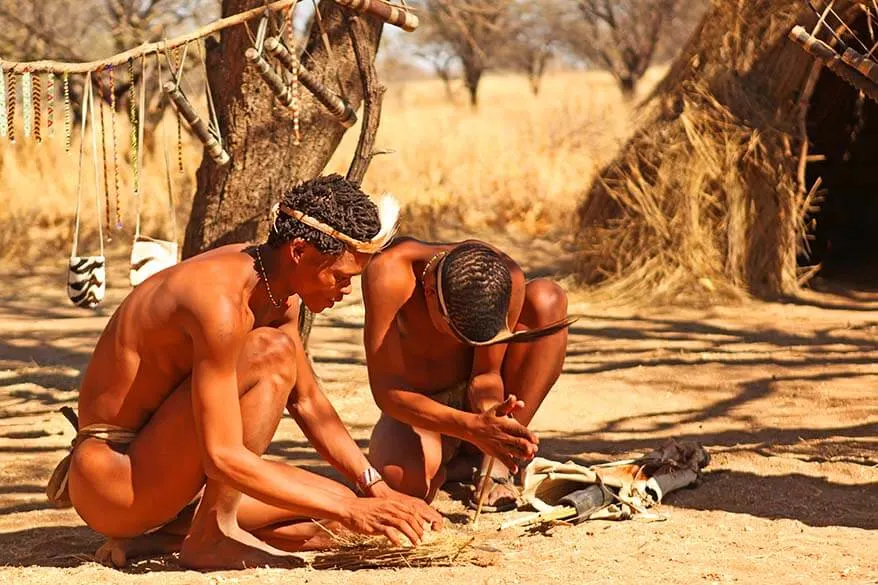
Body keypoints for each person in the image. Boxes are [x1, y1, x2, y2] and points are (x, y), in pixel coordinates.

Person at [47, 175, 443, 570]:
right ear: (300, 251)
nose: (346, 290)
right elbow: (222, 457)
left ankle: (170, 537)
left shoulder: (278, 290)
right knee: (273, 355)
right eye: (340, 277)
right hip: (117, 482)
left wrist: (376, 488)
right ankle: (210, 534)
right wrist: (349, 504)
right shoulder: (219, 304)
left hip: (174, 478)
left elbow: (307, 402)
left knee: (340, 524)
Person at [363, 238, 573, 512]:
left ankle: (495, 463)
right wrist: (471, 428)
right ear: (429, 293)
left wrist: (493, 420)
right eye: (458, 335)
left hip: (472, 411)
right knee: (402, 482)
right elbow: (387, 391)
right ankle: (456, 460)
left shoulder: (503, 275)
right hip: (419, 407)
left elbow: (485, 376)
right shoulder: (389, 272)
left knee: (547, 299)